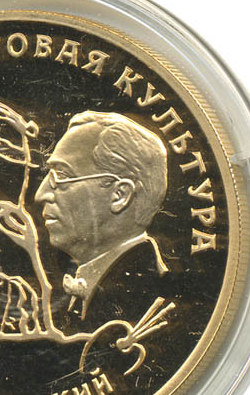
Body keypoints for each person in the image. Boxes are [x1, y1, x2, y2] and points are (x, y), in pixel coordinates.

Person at [35, 111, 169, 322]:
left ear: (119, 195)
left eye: (62, 175)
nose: (40, 195)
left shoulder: (148, 300)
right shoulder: (92, 287)